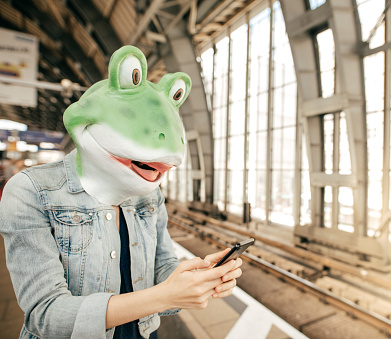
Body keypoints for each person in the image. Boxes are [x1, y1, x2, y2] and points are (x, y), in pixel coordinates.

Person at [0, 45, 243, 339]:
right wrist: (165, 297)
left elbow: (162, 264)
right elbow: (46, 315)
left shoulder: (149, 194)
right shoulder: (30, 191)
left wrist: (192, 279)